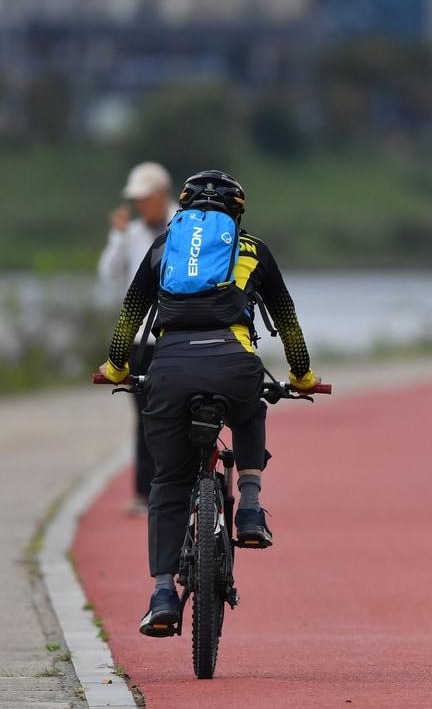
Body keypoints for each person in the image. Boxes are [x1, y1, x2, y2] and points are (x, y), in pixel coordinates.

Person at [96, 170, 320, 637]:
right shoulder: (253, 250)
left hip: (169, 370)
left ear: (185, 210)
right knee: (251, 408)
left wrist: (116, 368)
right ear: (237, 214)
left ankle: (162, 594)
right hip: (233, 365)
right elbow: (287, 320)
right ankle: (251, 508)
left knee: (168, 481)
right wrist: (302, 377)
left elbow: (130, 316)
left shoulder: (162, 249)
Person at [97, 162, 176, 511]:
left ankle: (180, 485)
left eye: (146, 197)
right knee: (145, 415)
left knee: (180, 414)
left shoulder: (185, 223)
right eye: (137, 199)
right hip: (141, 340)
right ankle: (144, 492)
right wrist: (117, 236)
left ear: (162, 193)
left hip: (175, 333)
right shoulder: (130, 234)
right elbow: (108, 274)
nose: (141, 204)